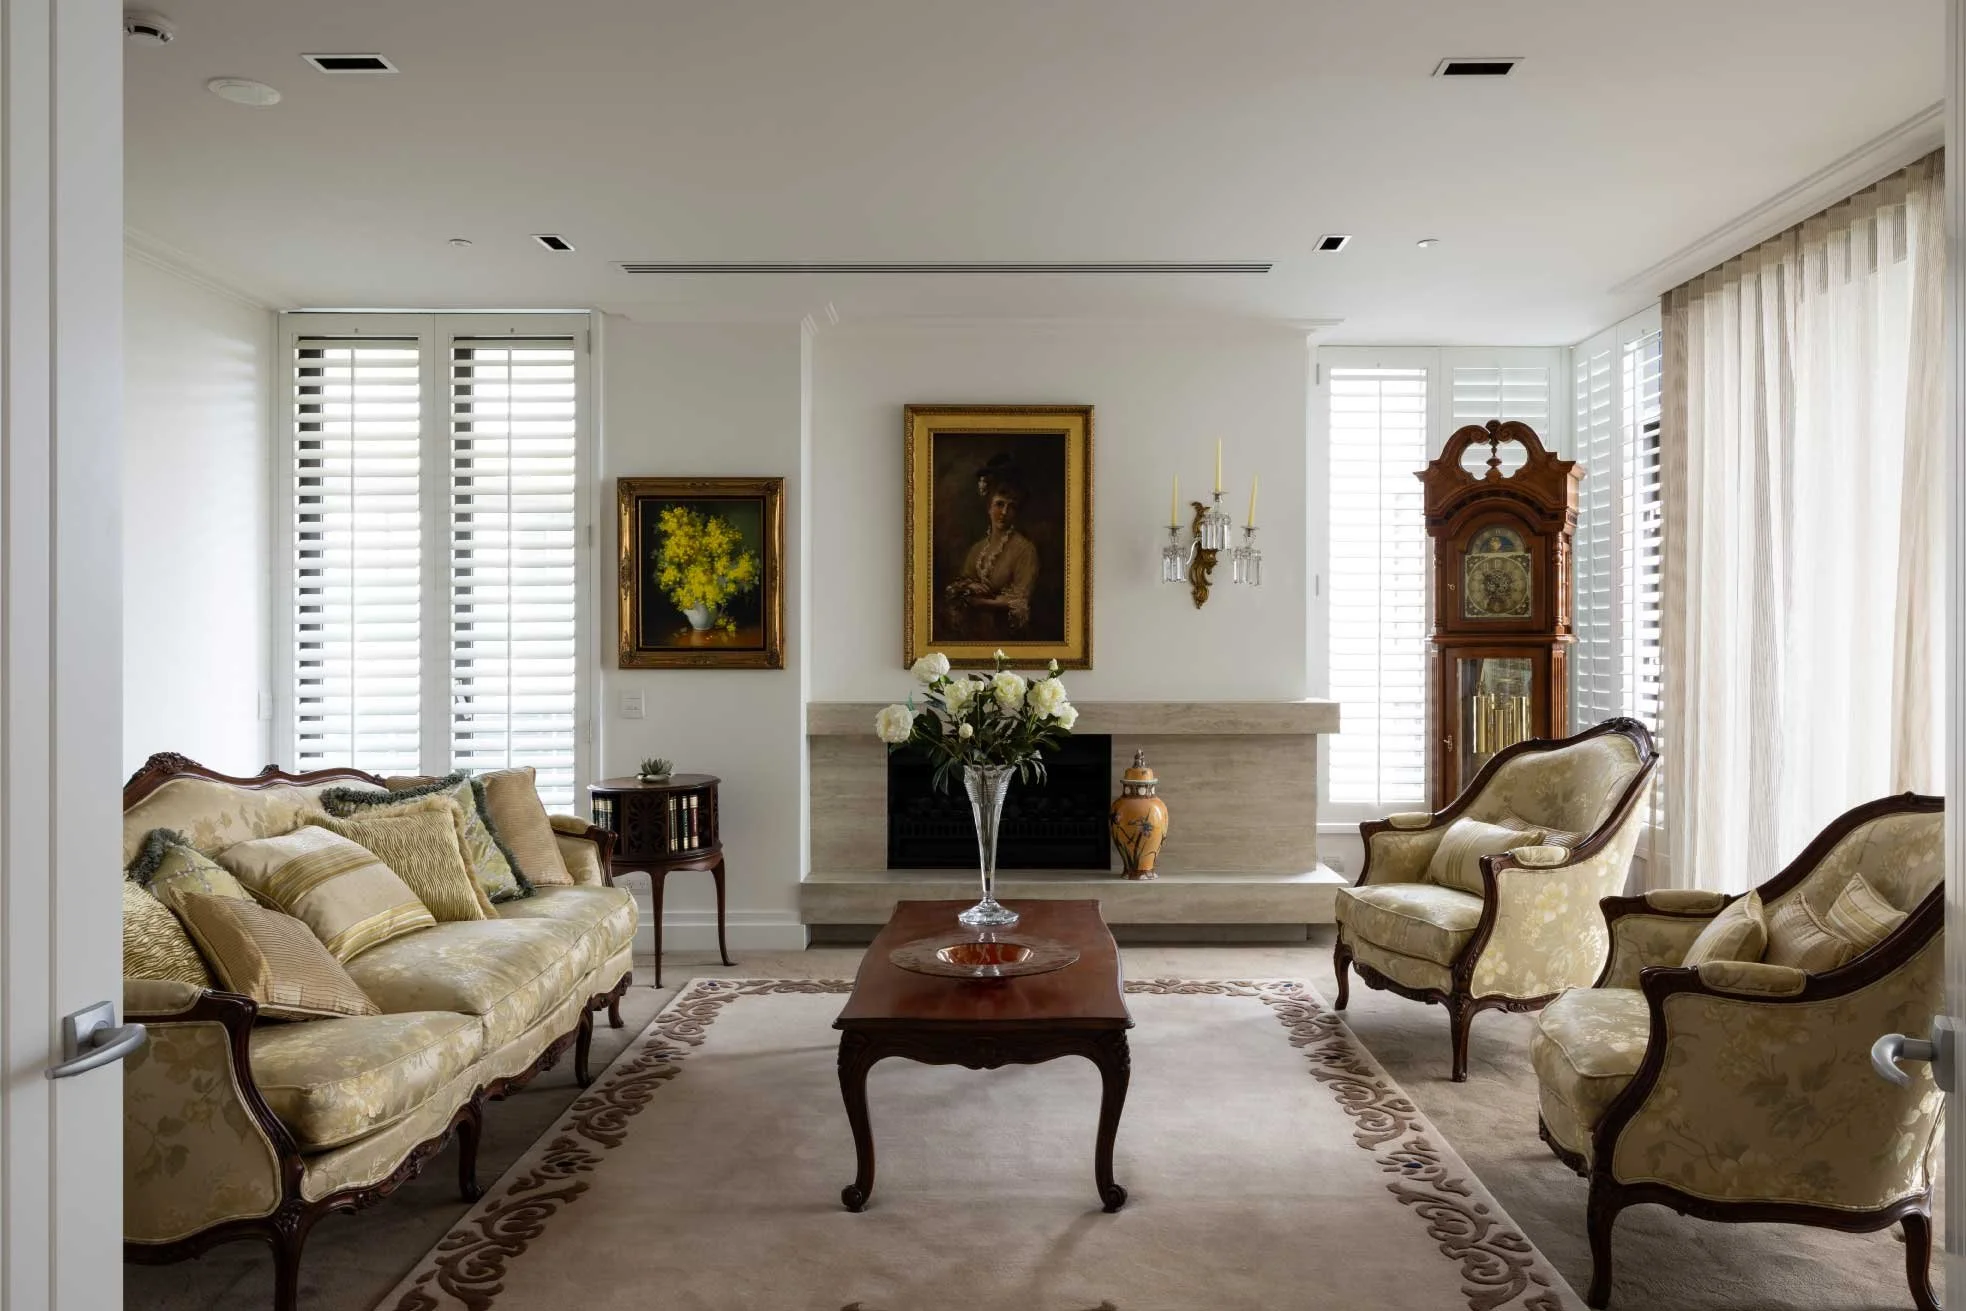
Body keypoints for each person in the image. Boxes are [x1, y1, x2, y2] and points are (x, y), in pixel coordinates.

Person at [939, 473, 1038, 640]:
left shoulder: (1025, 550)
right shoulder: (977, 549)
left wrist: (979, 603)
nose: (1004, 512)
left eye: (1011, 507)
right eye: (999, 504)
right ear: (989, 507)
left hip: (1006, 636)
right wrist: (970, 587)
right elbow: (959, 586)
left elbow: (1020, 601)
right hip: (973, 632)